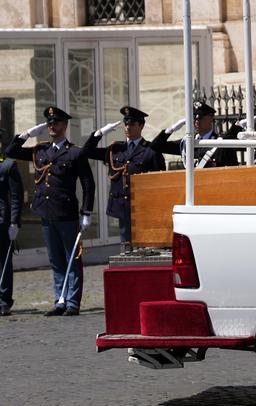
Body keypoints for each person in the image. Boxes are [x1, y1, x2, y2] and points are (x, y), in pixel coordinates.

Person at [5, 106, 95, 316]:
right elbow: (10, 152)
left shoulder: (74, 152)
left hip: (66, 213)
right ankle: (60, 299)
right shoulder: (41, 151)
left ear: (64, 125)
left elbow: (88, 184)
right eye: (49, 123)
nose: (52, 126)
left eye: (56, 123)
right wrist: (27, 135)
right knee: (55, 259)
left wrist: (87, 212)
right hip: (46, 213)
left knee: (71, 258)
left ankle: (72, 302)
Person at [81, 106, 166, 244]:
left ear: (141, 125)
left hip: (143, 208)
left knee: (145, 249)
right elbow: (85, 152)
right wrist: (99, 133)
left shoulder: (151, 150)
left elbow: (160, 183)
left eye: (132, 124)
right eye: (126, 124)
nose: (127, 127)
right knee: (126, 249)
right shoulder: (115, 149)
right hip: (122, 208)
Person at [150, 101, 238, 169]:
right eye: (194, 117)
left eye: (200, 117)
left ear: (211, 118)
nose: (196, 121)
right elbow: (156, 146)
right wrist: (173, 128)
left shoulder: (221, 144)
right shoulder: (186, 143)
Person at [0, 128, 24, 316]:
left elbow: (16, 197)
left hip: (2, 221)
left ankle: (4, 300)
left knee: (4, 262)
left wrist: (15, 222)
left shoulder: (8, 165)